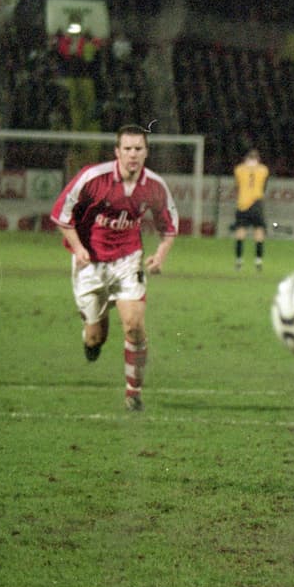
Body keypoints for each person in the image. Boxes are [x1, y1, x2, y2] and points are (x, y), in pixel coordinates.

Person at [50, 124, 179, 412]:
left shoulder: (154, 186)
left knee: (134, 327)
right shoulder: (93, 177)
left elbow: (168, 225)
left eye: (138, 149)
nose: (133, 154)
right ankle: (91, 338)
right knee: (97, 336)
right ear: (117, 151)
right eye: (128, 149)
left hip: (128, 260)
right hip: (90, 263)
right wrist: (79, 247)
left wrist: (160, 254)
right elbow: (61, 215)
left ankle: (133, 393)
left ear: (146, 152)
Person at [232, 148, 269, 271]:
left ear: (246, 159)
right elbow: (263, 186)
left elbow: (237, 186)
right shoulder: (263, 170)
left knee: (240, 233)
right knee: (259, 232)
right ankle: (258, 262)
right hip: (256, 204)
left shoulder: (239, 169)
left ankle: (239, 262)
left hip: (242, 204)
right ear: (258, 159)